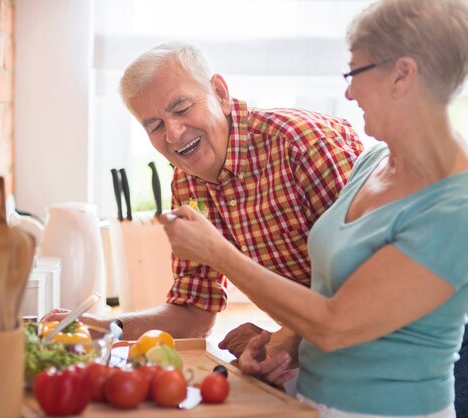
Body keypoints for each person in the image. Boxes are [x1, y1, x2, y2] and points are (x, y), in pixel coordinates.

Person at [160, 0, 468, 416]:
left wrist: (216, 251)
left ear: (403, 75)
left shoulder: (456, 205)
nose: (348, 91)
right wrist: (281, 351)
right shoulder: (370, 163)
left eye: (356, 73)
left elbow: (335, 323)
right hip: (310, 400)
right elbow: (330, 297)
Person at [42, 41, 363, 383]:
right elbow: (195, 310)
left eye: (180, 108)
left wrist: (286, 340)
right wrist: (111, 327)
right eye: (154, 125)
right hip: (321, 355)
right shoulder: (186, 183)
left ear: (220, 93)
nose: (174, 133)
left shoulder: (303, 146)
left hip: (379, 353)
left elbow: (365, 285)